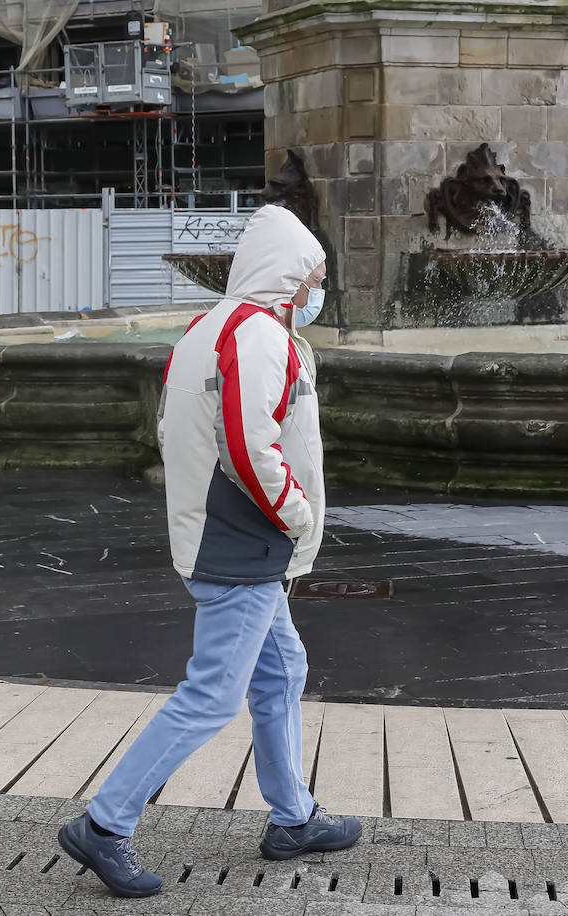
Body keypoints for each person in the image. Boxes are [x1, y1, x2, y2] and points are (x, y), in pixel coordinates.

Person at [57, 204, 361, 898]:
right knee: (213, 695)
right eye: (314, 277)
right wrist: (297, 514)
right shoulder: (256, 335)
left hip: (229, 536)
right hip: (243, 542)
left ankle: (293, 818)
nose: (318, 289)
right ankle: (105, 825)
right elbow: (249, 445)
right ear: (286, 277)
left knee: (282, 668)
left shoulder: (214, 327)